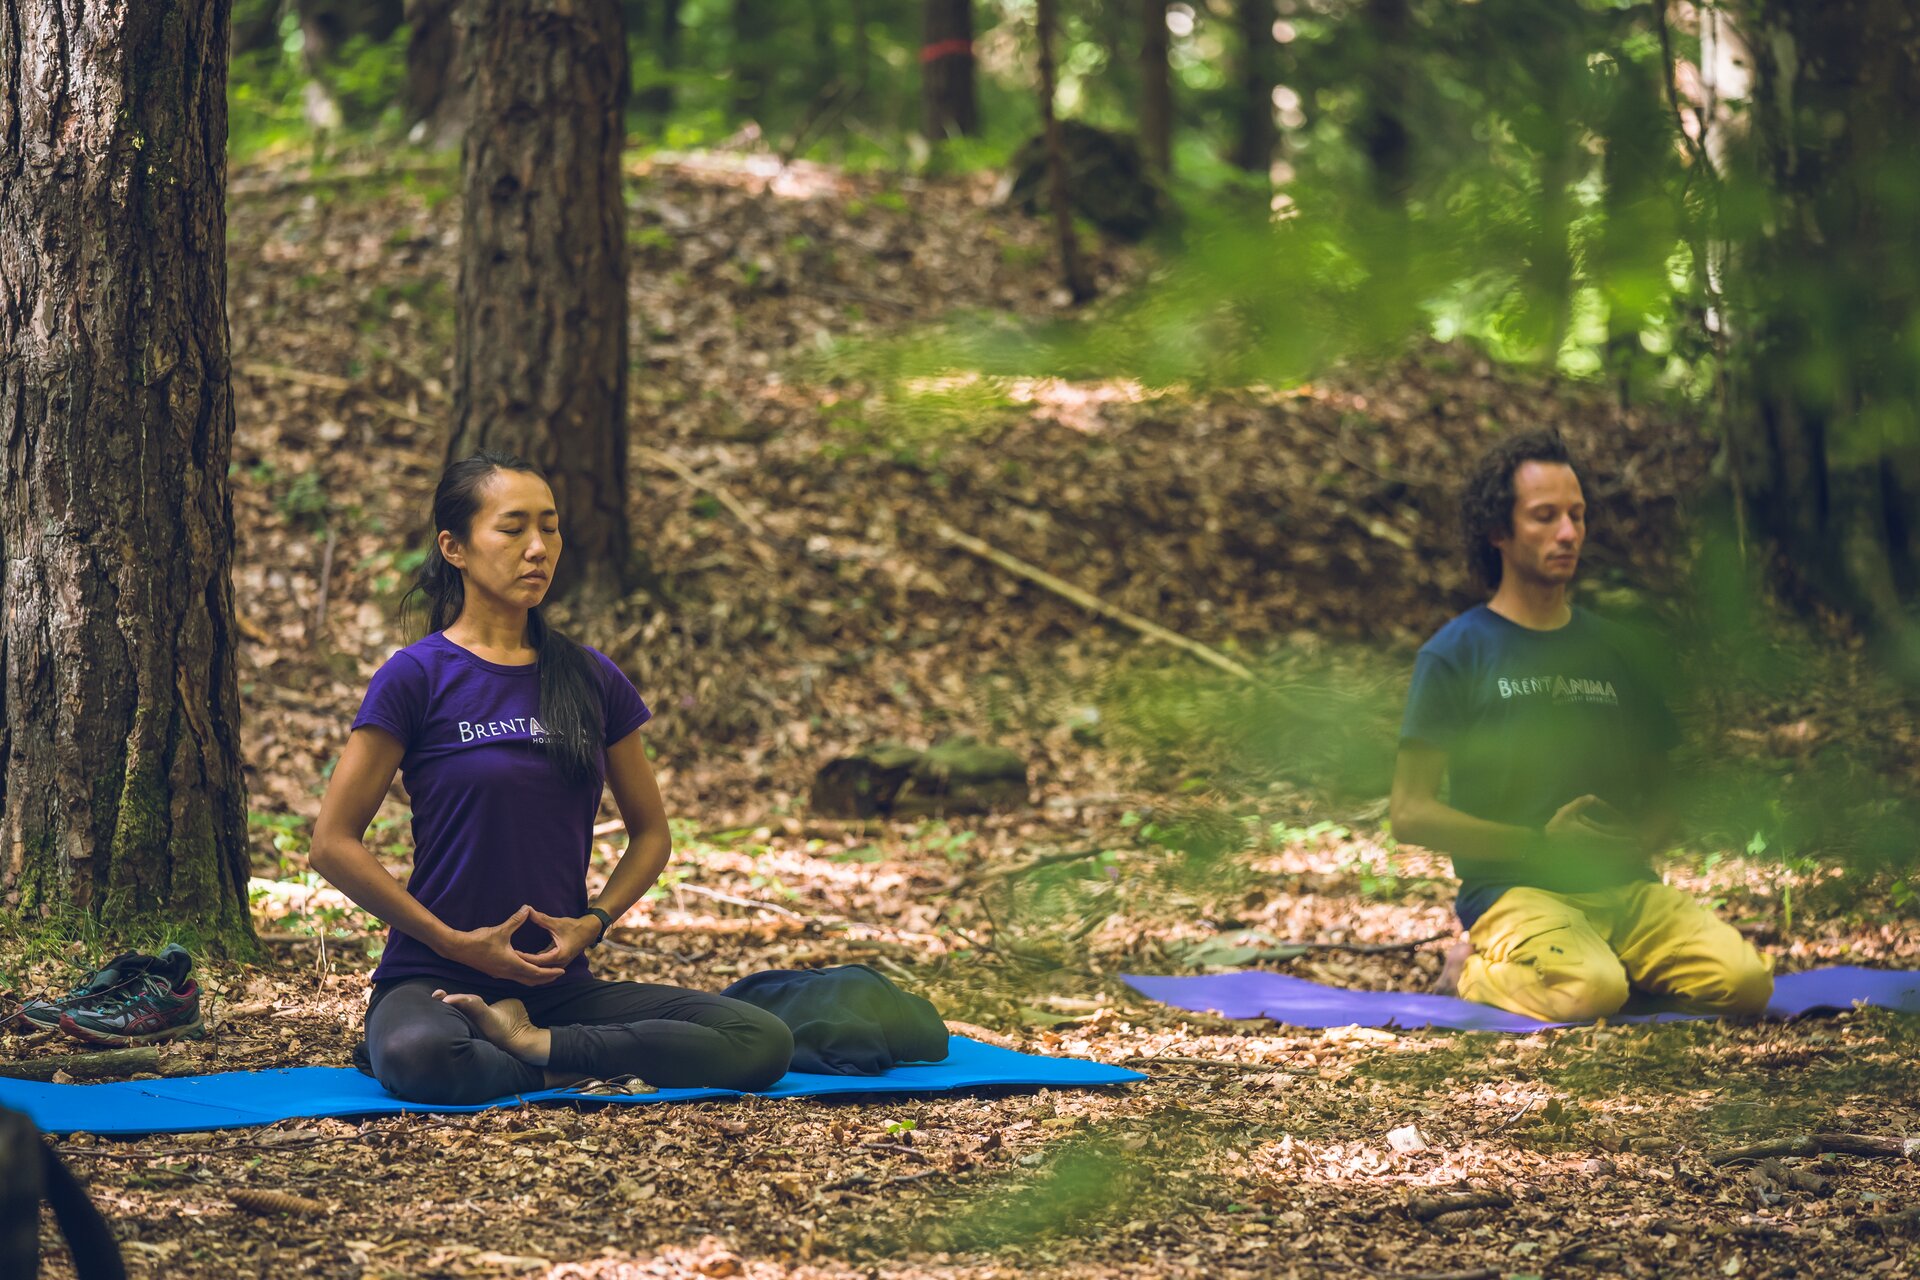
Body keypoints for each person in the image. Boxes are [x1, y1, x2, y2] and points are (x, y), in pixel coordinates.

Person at [311, 452, 792, 1104]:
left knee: (760, 1039)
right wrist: (455, 942)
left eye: (551, 527)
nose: (538, 548)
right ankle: (555, 1060)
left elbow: (651, 834)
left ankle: (535, 1049)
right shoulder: (416, 677)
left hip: (558, 987)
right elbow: (332, 843)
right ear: (454, 546)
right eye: (513, 529)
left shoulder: (591, 678)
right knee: (419, 1055)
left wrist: (591, 924)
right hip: (433, 977)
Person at [1389, 431, 1773, 1023]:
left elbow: (1665, 790)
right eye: (1545, 517)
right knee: (1589, 993)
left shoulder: (1616, 650)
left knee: (1746, 984)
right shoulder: (1455, 654)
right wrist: (1538, 844)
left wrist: (1640, 840)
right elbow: (1409, 812)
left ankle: (1615, 960)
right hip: (1515, 893)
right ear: (1499, 531)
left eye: (1577, 515)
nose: (1568, 533)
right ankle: (1472, 965)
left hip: (1626, 890)